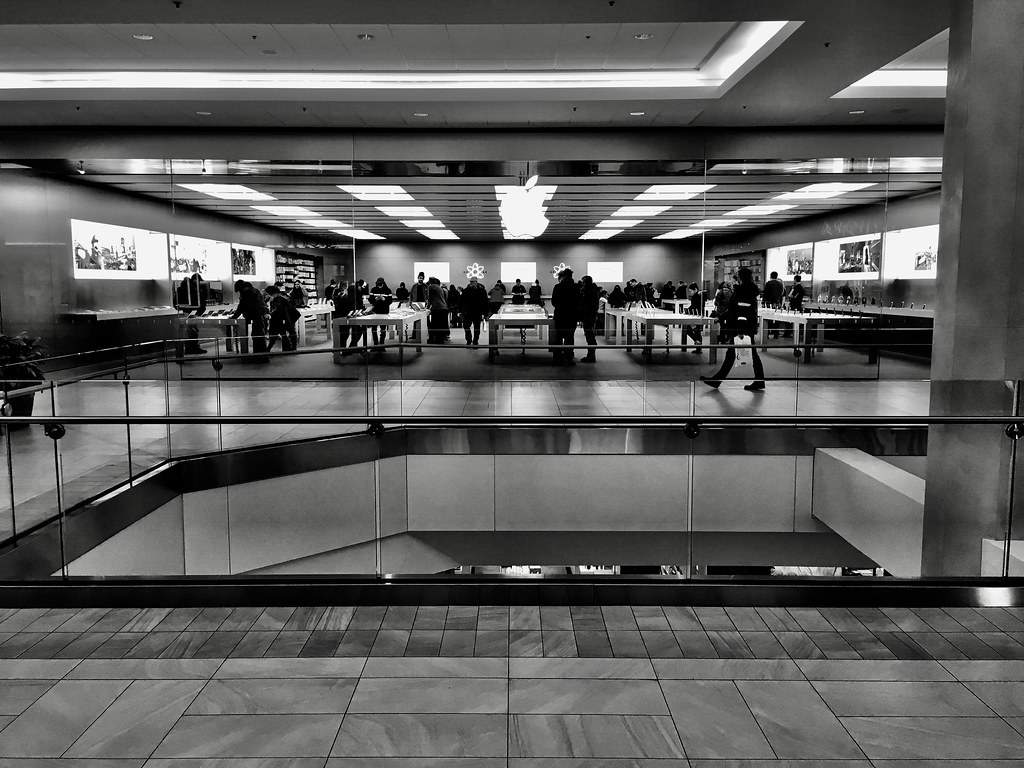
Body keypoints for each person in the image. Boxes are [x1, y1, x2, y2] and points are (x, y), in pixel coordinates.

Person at [701, 267, 766, 391]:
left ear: (740, 277)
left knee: (733, 354)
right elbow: (737, 310)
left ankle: (717, 380)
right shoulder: (749, 290)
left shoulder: (743, 290)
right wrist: (721, 317)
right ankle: (758, 380)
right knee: (747, 354)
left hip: (741, 328)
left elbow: (739, 310)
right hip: (745, 327)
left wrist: (739, 330)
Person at [231, 279, 269, 361]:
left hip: (255, 316)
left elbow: (241, 306)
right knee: (259, 336)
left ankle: (259, 357)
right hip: (260, 316)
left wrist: (234, 317)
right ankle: (261, 356)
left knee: (257, 336)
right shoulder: (255, 290)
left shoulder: (246, 292)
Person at [551, 268, 580, 365]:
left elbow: (553, 302)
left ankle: (558, 358)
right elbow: (578, 301)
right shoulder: (576, 287)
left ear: (563, 276)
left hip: (560, 315)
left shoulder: (558, 287)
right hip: (572, 315)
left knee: (559, 337)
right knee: (570, 337)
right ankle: (569, 358)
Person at [175, 272, 209, 354]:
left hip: (187, 311)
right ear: (195, 280)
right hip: (191, 312)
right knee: (192, 330)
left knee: (190, 330)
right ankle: (192, 348)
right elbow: (199, 301)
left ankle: (190, 348)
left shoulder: (184, 288)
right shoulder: (192, 289)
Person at [265, 285, 299, 352]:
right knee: (285, 332)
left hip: (283, 318)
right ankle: (291, 348)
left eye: (267, 294)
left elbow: (278, 309)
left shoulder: (280, 299)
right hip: (285, 318)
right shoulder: (280, 297)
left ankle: (291, 348)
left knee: (278, 333)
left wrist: (270, 314)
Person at [459, 276, 488, 346]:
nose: (471, 283)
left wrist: (485, 313)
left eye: (472, 282)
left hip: (477, 312)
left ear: (476, 282)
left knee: (476, 327)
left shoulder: (482, 291)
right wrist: (461, 311)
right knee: (466, 326)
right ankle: (469, 340)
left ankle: (475, 341)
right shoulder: (466, 291)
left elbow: (485, 302)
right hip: (468, 312)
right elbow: (461, 301)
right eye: (470, 282)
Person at [579, 274, 601, 363]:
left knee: (590, 335)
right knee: (590, 335)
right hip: (590, 315)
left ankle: (591, 356)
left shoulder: (589, 292)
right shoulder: (593, 291)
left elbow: (587, 304)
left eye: (583, 282)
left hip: (588, 316)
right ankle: (591, 355)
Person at [368, 277, 392, 349]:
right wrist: (376, 299)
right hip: (375, 312)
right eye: (378, 284)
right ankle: (375, 345)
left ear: (383, 283)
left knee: (383, 329)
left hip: (384, 312)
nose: (379, 286)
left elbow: (390, 301)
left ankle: (382, 345)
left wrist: (384, 299)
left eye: (380, 284)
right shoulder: (373, 289)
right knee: (374, 329)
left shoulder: (388, 290)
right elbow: (370, 300)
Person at [762, 270, 786, 339]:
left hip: (769, 303)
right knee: (777, 319)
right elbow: (781, 294)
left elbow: (765, 294)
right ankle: (776, 334)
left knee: (768, 318)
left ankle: (767, 333)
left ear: (770, 276)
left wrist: (763, 302)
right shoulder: (780, 284)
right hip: (777, 303)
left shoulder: (768, 283)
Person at [426, 276, 448, 343]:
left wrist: (427, 307)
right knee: (440, 324)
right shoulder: (439, 287)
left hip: (437, 308)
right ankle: (440, 339)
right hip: (443, 307)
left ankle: (433, 339)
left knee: (434, 324)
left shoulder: (431, 287)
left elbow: (430, 298)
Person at [684, 282, 704, 353]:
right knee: (697, 332)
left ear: (695, 289)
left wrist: (687, 311)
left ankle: (697, 343)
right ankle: (698, 347)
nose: (691, 293)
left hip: (696, 316)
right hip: (698, 315)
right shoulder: (700, 296)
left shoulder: (697, 296)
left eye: (691, 291)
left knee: (690, 330)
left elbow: (694, 306)